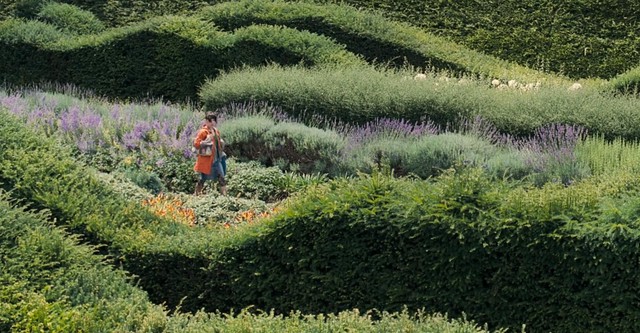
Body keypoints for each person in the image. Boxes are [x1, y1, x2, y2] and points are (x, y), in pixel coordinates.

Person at [193, 113, 227, 196]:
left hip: (216, 159)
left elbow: (218, 142)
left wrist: (221, 142)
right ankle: (196, 195)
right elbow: (196, 144)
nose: (212, 123)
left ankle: (225, 197)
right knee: (202, 179)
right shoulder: (203, 132)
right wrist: (206, 141)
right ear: (206, 122)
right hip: (207, 160)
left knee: (221, 177)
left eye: (213, 121)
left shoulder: (216, 131)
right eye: (210, 121)